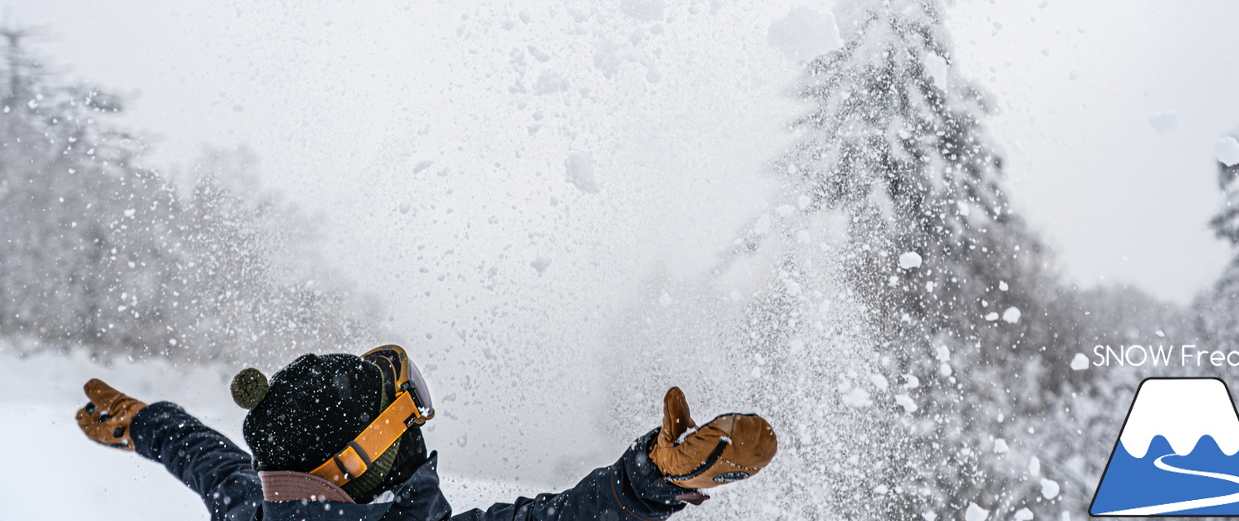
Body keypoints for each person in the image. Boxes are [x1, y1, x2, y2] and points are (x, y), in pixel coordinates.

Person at [75, 344, 776, 520]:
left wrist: (148, 422)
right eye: (410, 412)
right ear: (365, 461)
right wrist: (653, 478)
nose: (422, 426)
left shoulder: (258, 508)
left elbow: (212, 461)